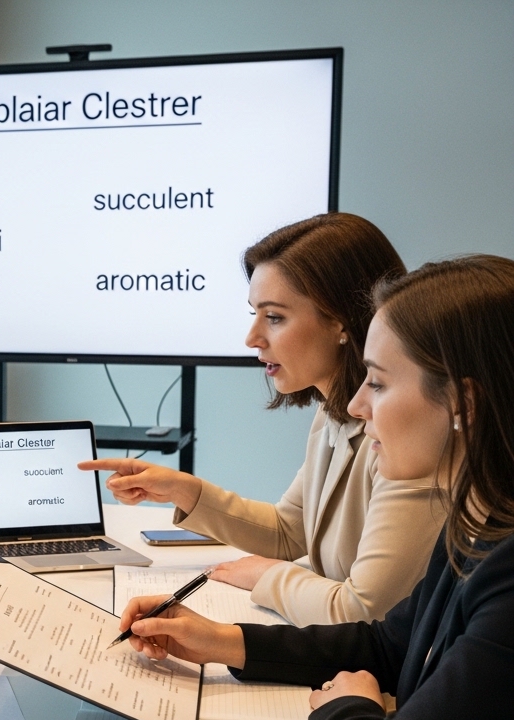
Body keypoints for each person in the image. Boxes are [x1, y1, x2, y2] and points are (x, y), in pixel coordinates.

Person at [116, 256, 514, 720]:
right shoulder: (480, 523)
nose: (357, 404)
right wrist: (224, 642)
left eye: (379, 384)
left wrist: (347, 710)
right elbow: (388, 642)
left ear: (463, 403)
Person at [81, 213, 444, 625]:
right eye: (255, 314)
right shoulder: (333, 415)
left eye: (274, 317)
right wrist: (183, 490)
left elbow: (365, 610)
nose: (252, 338)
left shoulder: (407, 439)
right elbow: (289, 532)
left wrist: (269, 576)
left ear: (341, 320)